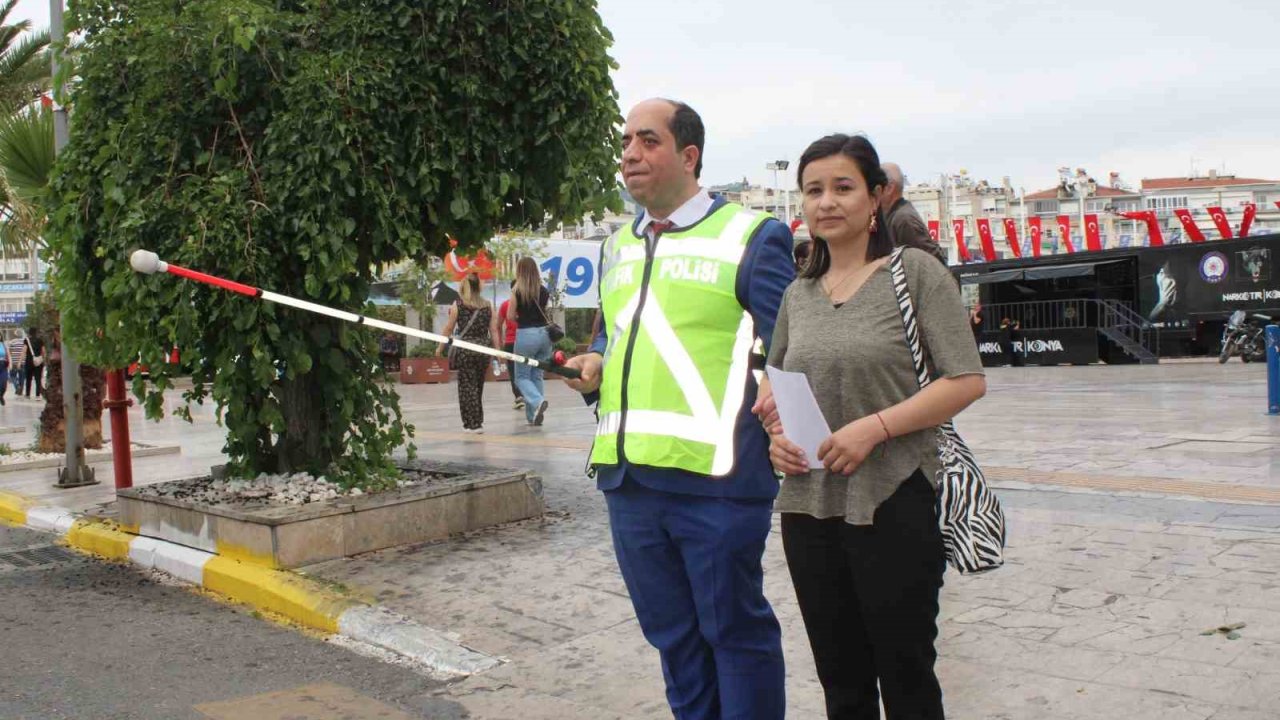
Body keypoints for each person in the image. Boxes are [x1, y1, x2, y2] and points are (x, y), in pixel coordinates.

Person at [562, 98, 795, 719]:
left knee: (736, 636)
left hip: (717, 484)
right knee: (674, 642)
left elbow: (791, 347)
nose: (629, 155)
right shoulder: (615, 247)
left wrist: (780, 394)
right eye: (626, 142)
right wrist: (596, 364)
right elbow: (617, 336)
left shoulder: (752, 236)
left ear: (688, 155)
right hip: (629, 481)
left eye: (647, 140)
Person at [754, 134, 985, 719]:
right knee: (841, 678)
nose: (826, 202)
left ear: (876, 197)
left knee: (906, 673)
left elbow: (964, 380)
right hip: (809, 505)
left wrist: (873, 428)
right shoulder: (797, 292)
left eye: (843, 187)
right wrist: (774, 440)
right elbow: (775, 382)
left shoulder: (915, 273)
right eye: (813, 190)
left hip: (896, 497)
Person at [437, 272, 501, 433]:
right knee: (478, 386)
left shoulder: (458, 305)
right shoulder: (488, 306)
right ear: (478, 287)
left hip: (465, 350)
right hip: (483, 350)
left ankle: (472, 424)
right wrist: (498, 352)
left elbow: (449, 328)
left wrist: (440, 348)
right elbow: (493, 331)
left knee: (467, 387)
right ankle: (478, 420)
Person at [506, 257, 551, 426]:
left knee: (521, 377)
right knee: (537, 374)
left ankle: (537, 401)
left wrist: (521, 317)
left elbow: (510, 316)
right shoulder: (544, 290)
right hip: (545, 336)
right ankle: (533, 416)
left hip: (526, 334)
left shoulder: (518, 290)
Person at [880, 162, 947, 264]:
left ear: (889, 188)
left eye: (875, 186)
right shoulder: (894, 216)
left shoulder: (904, 220)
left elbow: (935, 262)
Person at [497, 281, 524, 410]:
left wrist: (500, 340)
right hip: (524, 341)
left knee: (513, 371)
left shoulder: (505, 305)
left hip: (510, 342)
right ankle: (527, 396)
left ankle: (518, 397)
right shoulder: (527, 304)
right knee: (525, 370)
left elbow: (497, 325)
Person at [23, 330, 44, 398]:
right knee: (38, 379)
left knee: (28, 379)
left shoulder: (26, 340)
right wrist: (42, 358)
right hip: (38, 362)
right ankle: (37, 395)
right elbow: (43, 351)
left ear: (29, 333)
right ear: (36, 333)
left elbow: (24, 351)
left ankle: (27, 394)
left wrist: (20, 361)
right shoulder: (40, 340)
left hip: (29, 361)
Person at [7, 331, 23, 396]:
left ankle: (17, 386)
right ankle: (20, 391)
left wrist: (9, 362)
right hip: (22, 362)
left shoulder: (11, 342)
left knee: (12, 376)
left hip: (13, 362)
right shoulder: (24, 342)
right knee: (21, 377)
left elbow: (9, 353)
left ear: (15, 335)